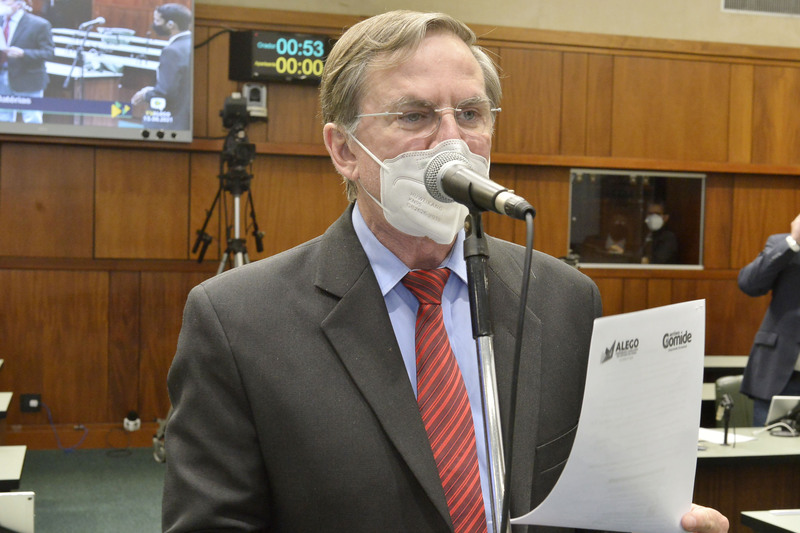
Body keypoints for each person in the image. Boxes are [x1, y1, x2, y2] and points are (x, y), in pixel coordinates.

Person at [162, 11, 729, 533]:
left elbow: (587, 500)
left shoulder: (564, 299)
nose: (452, 144)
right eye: (414, 115)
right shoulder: (237, 322)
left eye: (471, 114)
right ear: (344, 150)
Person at [738, 213, 800, 427]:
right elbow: (749, 284)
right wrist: (793, 242)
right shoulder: (782, 245)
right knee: (768, 447)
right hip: (780, 375)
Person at [131, 2, 191, 130]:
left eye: (157, 20)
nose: (154, 24)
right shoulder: (190, 44)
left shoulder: (172, 51)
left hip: (170, 122)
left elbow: (165, 92)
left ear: (171, 24)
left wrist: (145, 94)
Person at [0, 0, 53, 123]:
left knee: (32, 119)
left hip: (27, 79)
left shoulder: (39, 24)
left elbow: (48, 53)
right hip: (2, 77)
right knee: (3, 118)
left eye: (5, 1)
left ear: (18, 4)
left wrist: (24, 53)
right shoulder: (1, 21)